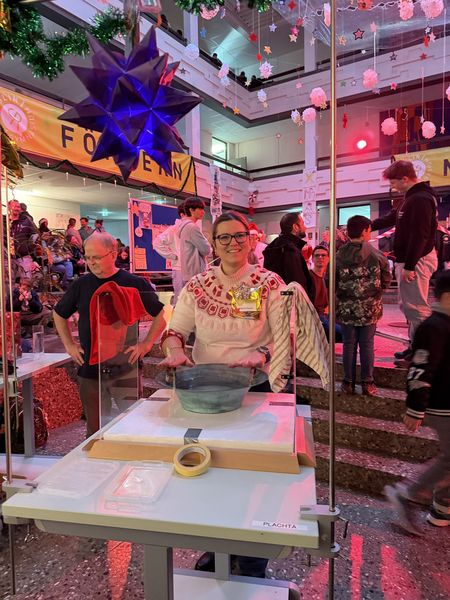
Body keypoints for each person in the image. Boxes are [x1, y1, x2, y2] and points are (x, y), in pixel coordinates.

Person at [160, 211, 286, 578]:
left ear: (250, 239)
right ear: (212, 244)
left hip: (256, 390)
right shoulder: (198, 285)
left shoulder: (268, 282)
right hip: (206, 393)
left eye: (239, 236)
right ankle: (217, 547)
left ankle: (252, 556)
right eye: (224, 237)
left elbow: (286, 334)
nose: (233, 243)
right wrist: (175, 350)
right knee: (211, 472)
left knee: (253, 476)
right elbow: (176, 330)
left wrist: (262, 355)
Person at [53, 233, 167, 438]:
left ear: (113, 254)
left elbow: (162, 314)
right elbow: (59, 313)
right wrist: (69, 344)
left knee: (133, 424)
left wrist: (146, 344)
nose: (91, 263)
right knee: (94, 430)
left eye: (96, 257)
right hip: (90, 368)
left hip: (125, 366)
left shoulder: (134, 283)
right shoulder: (81, 284)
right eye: (88, 258)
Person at [384, 270, 450, 534]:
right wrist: (415, 407)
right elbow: (420, 368)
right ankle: (408, 494)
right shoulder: (433, 326)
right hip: (440, 404)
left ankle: (442, 507)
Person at [372, 160, 438, 362]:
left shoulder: (421, 199)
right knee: (409, 306)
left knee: (417, 308)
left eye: (394, 182)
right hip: (412, 260)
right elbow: (391, 218)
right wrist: (365, 226)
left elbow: (420, 235)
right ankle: (415, 346)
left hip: (417, 261)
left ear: (405, 179)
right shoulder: (409, 198)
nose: (392, 187)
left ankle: (425, 351)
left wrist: (410, 265)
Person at [334, 215, 391, 396]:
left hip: (346, 309)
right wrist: (376, 294)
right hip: (370, 309)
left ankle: (348, 383)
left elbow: (330, 281)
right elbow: (386, 277)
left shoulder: (338, 255)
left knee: (348, 345)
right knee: (367, 345)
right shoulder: (376, 255)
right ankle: (368, 383)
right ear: (365, 231)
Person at [263, 212, 315, 302]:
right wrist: (305, 300)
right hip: (291, 305)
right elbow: (296, 285)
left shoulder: (275, 246)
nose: (305, 227)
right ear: (295, 227)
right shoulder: (290, 250)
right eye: (303, 224)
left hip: (277, 302)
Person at [153, 203, 187, 303]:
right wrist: (172, 256)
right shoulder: (174, 229)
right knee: (180, 298)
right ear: (182, 215)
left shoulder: (192, 228)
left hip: (192, 269)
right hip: (180, 268)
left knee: (192, 299)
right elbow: (157, 243)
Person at [177, 197, 211, 286]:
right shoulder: (192, 227)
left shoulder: (184, 226)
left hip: (189, 273)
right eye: (200, 209)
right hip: (196, 274)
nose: (203, 212)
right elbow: (206, 250)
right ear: (191, 210)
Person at [8, 199, 38, 280]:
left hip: (24, 255)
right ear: (8, 207)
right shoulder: (4, 221)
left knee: (27, 280)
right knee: (9, 280)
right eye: (14, 206)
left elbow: (35, 234)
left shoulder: (26, 220)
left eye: (18, 207)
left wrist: (29, 247)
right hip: (8, 257)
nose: (17, 208)